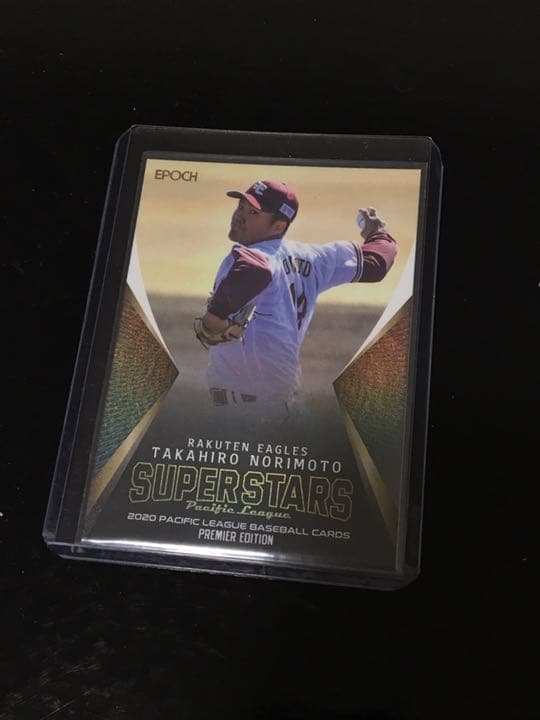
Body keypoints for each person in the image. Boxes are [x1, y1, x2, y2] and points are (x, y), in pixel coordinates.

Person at [194, 179, 397, 420]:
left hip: (246, 413)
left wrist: (215, 316)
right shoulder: (314, 258)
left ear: (278, 226)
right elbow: (375, 264)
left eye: (253, 212)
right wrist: (377, 233)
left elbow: (257, 268)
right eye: (241, 206)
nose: (239, 215)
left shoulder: (253, 256)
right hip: (283, 404)